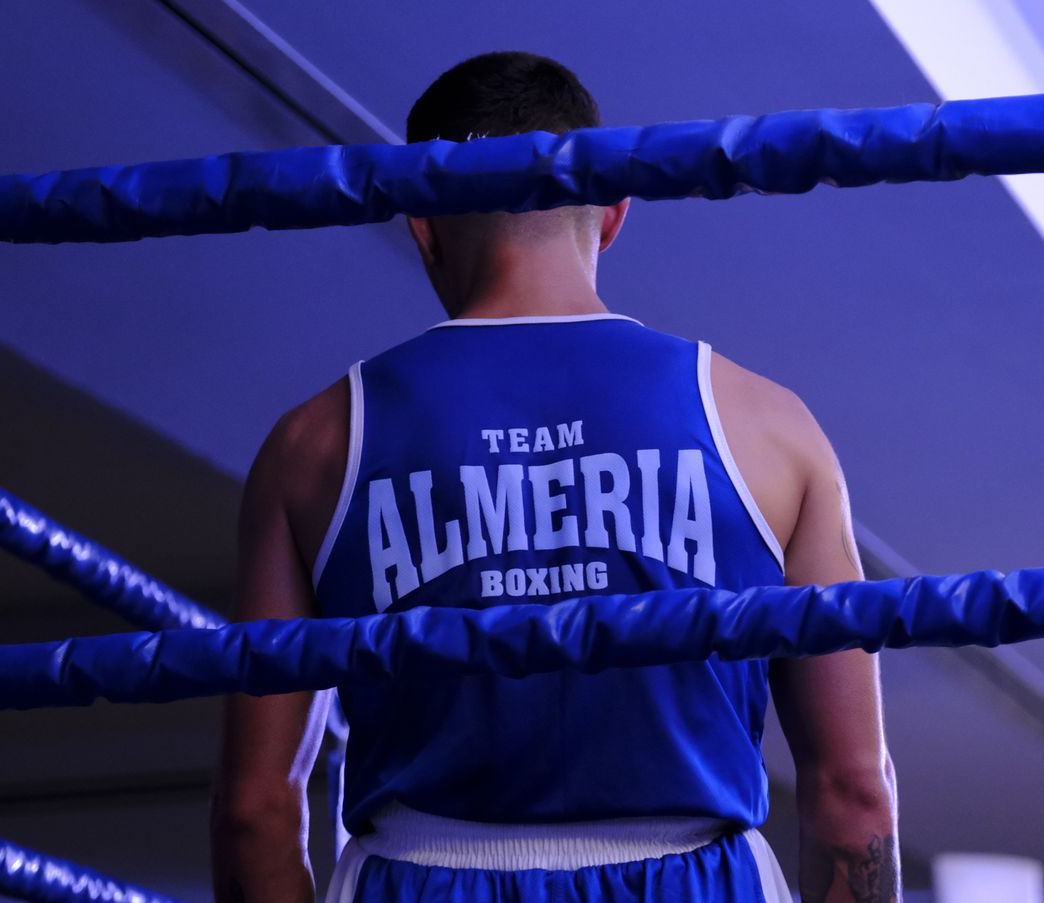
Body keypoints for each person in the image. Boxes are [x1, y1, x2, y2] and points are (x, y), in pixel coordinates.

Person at [211, 51, 897, 903]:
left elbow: (256, 812)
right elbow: (852, 790)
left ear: (419, 219)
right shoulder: (769, 425)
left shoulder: (314, 443)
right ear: (614, 210)